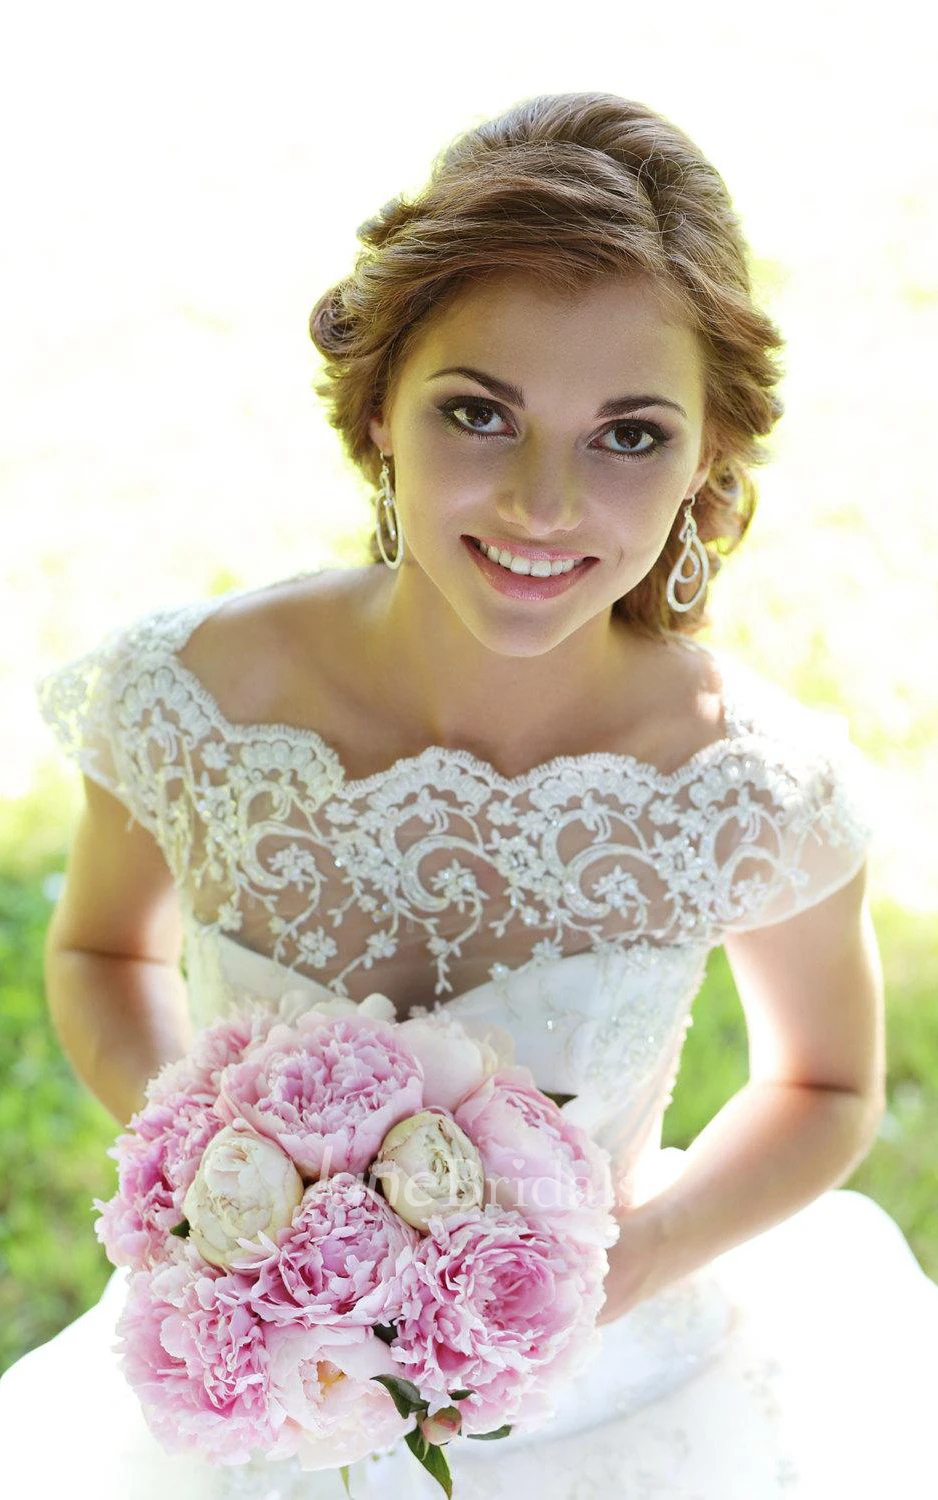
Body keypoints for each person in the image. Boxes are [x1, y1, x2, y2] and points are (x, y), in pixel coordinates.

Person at [1, 90, 935, 1498]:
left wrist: (611, 1270)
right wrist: (227, 1185)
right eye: (478, 414)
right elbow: (98, 948)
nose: (544, 505)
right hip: (263, 1390)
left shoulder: (745, 783)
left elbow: (821, 1082)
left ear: (705, 461)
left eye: (627, 435)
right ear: (378, 406)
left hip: (615, 1388)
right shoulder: (192, 698)